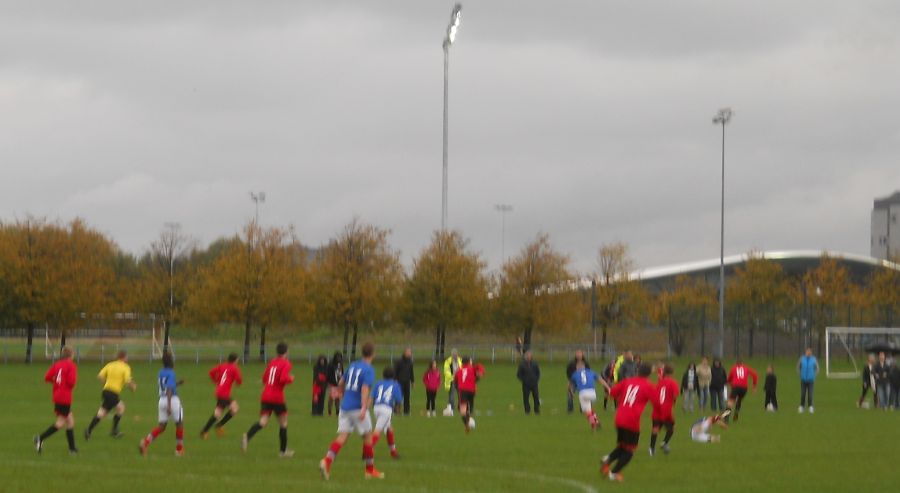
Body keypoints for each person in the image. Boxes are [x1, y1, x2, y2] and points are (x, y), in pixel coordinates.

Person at [319, 341, 383, 480]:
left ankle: (326, 461)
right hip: (356, 408)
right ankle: (370, 470)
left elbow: (342, 381)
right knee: (367, 437)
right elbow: (365, 389)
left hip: (344, 407)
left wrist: (339, 391)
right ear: (373, 354)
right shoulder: (369, 369)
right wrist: (364, 407)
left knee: (342, 436)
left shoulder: (353, 365)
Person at [601, 363, 658, 482]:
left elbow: (612, 393)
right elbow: (657, 403)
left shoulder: (627, 381)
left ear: (637, 371)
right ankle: (614, 473)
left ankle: (607, 460)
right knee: (630, 450)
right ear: (649, 374)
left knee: (622, 446)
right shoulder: (649, 386)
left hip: (619, 417)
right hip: (631, 420)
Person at [242, 342, 294, 457]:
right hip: (277, 397)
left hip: (265, 395)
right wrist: (291, 379)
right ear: (286, 352)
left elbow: (265, 378)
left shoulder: (272, 362)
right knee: (283, 423)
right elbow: (283, 379)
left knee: (263, 421)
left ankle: (248, 436)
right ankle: (283, 451)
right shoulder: (286, 363)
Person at [139, 352, 184, 456]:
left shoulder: (161, 372)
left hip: (161, 400)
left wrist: (177, 384)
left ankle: (145, 442)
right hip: (171, 400)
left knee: (162, 427)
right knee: (179, 424)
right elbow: (169, 389)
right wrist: (169, 405)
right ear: (171, 361)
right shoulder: (172, 373)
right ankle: (179, 450)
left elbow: (167, 385)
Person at [35, 346, 78, 454]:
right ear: (71, 355)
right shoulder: (71, 365)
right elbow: (71, 382)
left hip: (57, 395)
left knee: (70, 421)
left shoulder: (57, 364)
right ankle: (40, 438)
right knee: (60, 422)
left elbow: (47, 377)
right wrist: (66, 384)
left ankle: (72, 449)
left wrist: (57, 382)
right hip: (65, 397)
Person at [85, 349, 136, 440]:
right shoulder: (125, 367)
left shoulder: (110, 364)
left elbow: (100, 376)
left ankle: (89, 429)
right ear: (124, 357)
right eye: (127, 357)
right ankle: (114, 431)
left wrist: (105, 384)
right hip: (113, 393)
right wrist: (133, 387)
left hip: (106, 391)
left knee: (102, 412)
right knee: (120, 407)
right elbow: (127, 380)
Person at [200, 352, 243, 438]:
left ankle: (210, 429)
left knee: (221, 412)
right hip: (224, 394)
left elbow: (211, 372)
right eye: (237, 360)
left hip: (220, 392)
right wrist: (235, 381)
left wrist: (216, 381)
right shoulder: (235, 368)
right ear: (235, 360)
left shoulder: (222, 365)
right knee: (232, 409)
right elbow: (239, 381)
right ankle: (209, 429)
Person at [371, 367, 403, 459]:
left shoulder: (378, 383)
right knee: (377, 431)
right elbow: (399, 400)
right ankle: (367, 450)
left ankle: (393, 452)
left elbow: (373, 396)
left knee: (389, 429)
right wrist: (397, 409)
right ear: (393, 376)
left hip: (376, 408)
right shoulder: (395, 384)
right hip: (386, 409)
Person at [569, 360, 609, 430]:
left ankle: (594, 424)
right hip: (593, 393)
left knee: (587, 412)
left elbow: (569, 385)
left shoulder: (575, 374)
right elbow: (601, 380)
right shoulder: (591, 372)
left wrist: (571, 393)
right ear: (584, 367)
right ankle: (596, 422)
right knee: (589, 410)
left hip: (583, 393)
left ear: (577, 367)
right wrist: (608, 387)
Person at [650, 363, 679, 456]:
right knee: (672, 428)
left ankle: (652, 448)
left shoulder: (659, 382)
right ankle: (664, 443)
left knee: (655, 428)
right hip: (667, 409)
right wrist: (673, 402)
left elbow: (654, 393)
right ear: (672, 372)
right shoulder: (673, 382)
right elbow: (675, 395)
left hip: (657, 408)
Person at [455, 356, 480, 432]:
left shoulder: (459, 370)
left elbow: (455, 382)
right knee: (468, 407)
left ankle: (467, 424)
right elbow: (477, 377)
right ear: (469, 362)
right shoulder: (472, 369)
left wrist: (458, 389)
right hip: (472, 391)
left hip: (463, 391)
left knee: (462, 409)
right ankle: (469, 420)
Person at [517, 350, 541, 415]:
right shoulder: (522, 365)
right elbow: (519, 375)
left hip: (534, 384)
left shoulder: (535, 364)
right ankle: (527, 411)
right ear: (525, 357)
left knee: (536, 397)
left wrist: (536, 379)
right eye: (527, 356)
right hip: (526, 385)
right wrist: (524, 380)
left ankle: (537, 410)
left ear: (531, 356)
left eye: (529, 356)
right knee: (526, 398)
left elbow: (538, 373)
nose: (528, 357)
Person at [393, 347, 414, 416]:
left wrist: (412, 381)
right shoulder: (399, 361)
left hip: (407, 382)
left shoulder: (410, 362)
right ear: (404, 353)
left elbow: (411, 372)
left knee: (407, 396)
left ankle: (406, 411)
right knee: (399, 396)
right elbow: (395, 371)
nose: (409, 354)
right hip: (399, 381)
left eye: (410, 353)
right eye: (408, 352)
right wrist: (395, 380)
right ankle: (396, 410)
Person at [797, 347, 819, 413]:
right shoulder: (802, 359)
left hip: (811, 380)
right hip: (803, 380)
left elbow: (817, 369)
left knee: (810, 394)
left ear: (811, 352)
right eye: (807, 351)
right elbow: (798, 367)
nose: (808, 352)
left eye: (810, 351)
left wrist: (813, 375)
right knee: (803, 393)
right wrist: (801, 375)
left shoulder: (814, 359)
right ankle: (801, 406)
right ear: (805, 352)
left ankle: (810, 407)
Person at [442, 348, 462, 416]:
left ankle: (460, 407)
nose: (455, 355)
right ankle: (451, 408)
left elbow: (461, 368)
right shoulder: (448, 361)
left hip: (459, 380)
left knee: (460, 394)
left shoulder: (460, 360)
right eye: (454, 354)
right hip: (452, 380)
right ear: (452, 355)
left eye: (456, 354)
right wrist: (452, 376)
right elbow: (446, 371)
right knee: (451, 395)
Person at [326, 351, 344, 416]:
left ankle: (337, 411)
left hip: (339, 384)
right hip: (332, 384)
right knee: (331, 398)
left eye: (340, 357)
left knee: (338, 398)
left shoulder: (341, 364)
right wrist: (329, 383)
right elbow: (328, 374)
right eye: (337, 357)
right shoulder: (331, 365)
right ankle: (329, 412)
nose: (339, 358)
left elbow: (342, 373)